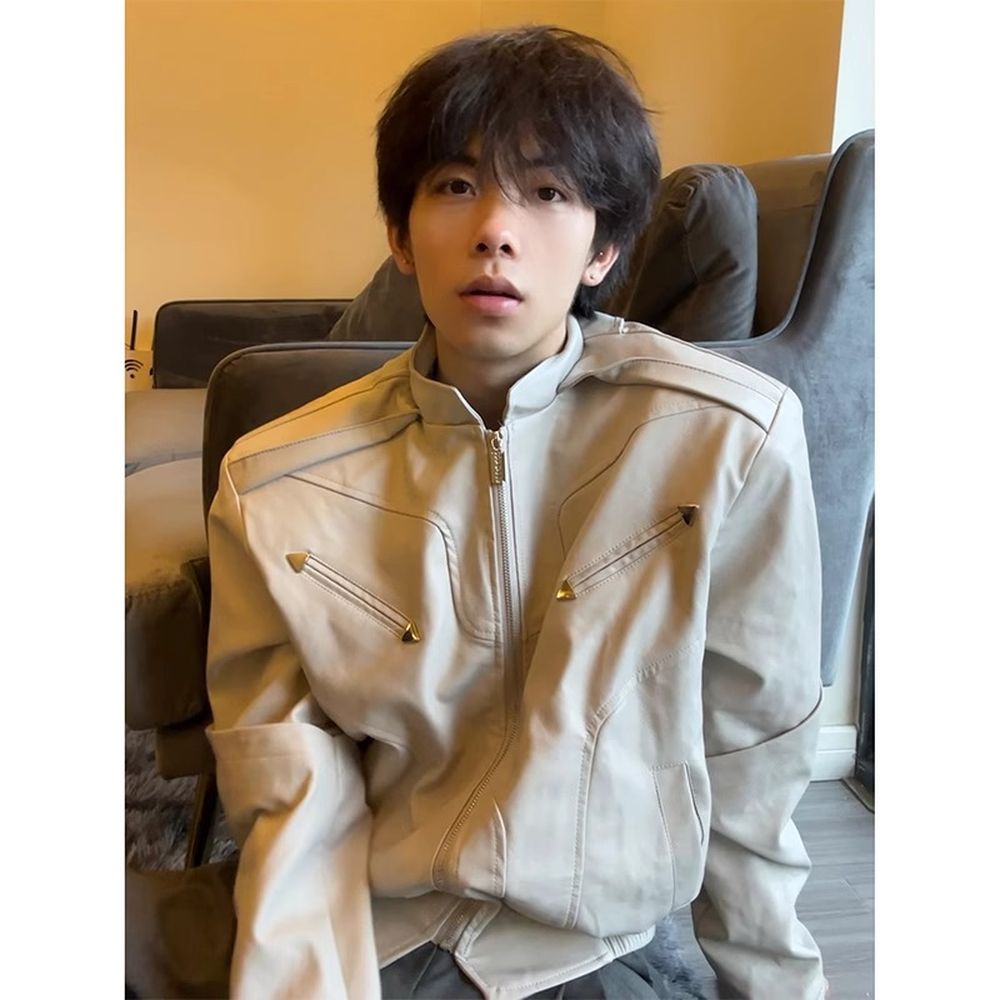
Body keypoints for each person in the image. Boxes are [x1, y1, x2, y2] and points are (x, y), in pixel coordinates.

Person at [206, 25, 827, 1000]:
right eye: (456, 185)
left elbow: (751, 757)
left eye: (547, 193)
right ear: (399, 235)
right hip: (384, 935)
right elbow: (291, 792)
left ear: (603, 246)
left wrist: (775, 985)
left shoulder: (728, 439)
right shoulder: (277, 481)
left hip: (600, 942)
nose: (497, 227)